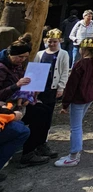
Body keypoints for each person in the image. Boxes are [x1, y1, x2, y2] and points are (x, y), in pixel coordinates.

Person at [0, 34, 53, 165]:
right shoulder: (1, 68)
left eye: (25, 58)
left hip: (17, 103)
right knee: (38, 114)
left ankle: (38, 144)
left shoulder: (16, 66)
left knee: (45, 110)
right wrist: (16, 86)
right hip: (5, 107)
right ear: (10, 54)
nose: (22, 60)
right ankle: (28, 153)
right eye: (19, 57)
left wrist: (32, 90)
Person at [55, 37, 93, 167]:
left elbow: (71, 85)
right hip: (89, 96)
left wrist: (65, 103)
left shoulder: (80, 64)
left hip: (79, 98)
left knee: (75, 127)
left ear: (83, 49)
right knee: (78, 126)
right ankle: (76, 152)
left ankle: (73, 155)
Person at [33, 29, 69, 158]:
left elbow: (64, 71)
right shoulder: (40, 54)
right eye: (50, 41)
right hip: (39, 89)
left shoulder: (63, 54)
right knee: (36, 115)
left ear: (59, 41)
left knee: (47, 116)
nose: (52, 44)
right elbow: (35, 70)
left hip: (51, 89)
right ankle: (34, 143)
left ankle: (43, 142)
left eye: (54, 41)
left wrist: (61, 87)